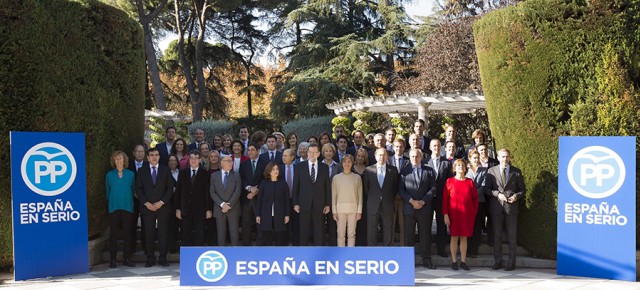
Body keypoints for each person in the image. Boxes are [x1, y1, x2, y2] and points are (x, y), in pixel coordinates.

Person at [485, 149, 526, 271]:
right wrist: (497, 194)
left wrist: (516, 196)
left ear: (510, 157)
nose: (505, 159)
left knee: (512, 236)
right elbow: (487, 189)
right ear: (498, 157)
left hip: (511, 208)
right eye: (502, 157)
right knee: (497, 236)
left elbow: (523, 190)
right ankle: (498, 262)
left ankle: (511, 263)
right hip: (497, 208)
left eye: (507, 156)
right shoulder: (491, 171)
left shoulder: (516, 172)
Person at [135, 148, 174, 267]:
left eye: (156, 155)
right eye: (151, 155)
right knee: (149, 234)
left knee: (163, 234)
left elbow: (170, 188)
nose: (154, 157)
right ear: (148, 157)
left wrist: (161, 202)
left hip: (163, 207)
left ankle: (163, 258)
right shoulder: (142, 171)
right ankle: (150, 258)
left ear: (159, 157)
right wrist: (146, 203)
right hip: (147, 208)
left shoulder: (165, 170)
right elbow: (138, 189)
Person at [399, 149, 436, 269]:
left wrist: (423, 201)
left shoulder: (429, 171)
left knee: (425, 234)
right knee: (408, 235)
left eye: (417, 156)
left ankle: (426, 259)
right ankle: (408, 260)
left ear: (421, 157)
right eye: (412, 156)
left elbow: (433, 188)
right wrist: (411, 201)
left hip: (424, 207)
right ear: (409, 158)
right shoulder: (404, 171)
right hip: (409, 207)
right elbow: (401, 190)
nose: (415, 158)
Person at [443, 159, 478, 271]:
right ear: (454, 168)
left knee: (464, 238)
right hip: (453, 214)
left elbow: (475, 199)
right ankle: (454, 261)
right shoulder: (449, 181)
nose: (460, 167)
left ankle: (463, 261)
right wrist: (445, 214)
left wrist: (473, 213)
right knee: (454, 237)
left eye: (462, 165)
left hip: (467, 215)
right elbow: (445, 200)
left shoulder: (470, 182)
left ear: (465, 168)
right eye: (458, 165)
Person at [293, 144, 331, 246]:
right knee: (303, 231)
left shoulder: (324, 167)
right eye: (310, 152)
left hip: (319, 204)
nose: (312, 154)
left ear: (318, 154)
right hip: (303, 204)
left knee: (319, 231)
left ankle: (319, 252)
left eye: (314, 152)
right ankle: (303, 253)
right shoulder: (299, 167)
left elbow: (327, 186)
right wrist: (295, 203)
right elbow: (295, 187)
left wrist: (327, 204)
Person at [174, 150, 213, 247]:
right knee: (186, 233)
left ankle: (197, 255)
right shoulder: (182, 173)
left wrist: (208, 209)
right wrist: (178, 209)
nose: (193, 160)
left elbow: (208, 193)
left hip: (200, 209)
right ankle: (188, 257)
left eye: (196, 158)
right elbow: (178, 192)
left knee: (200, 233)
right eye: (191, 158)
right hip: (185, 209)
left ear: (200, 160)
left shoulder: (205, 173)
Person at [362, 148, 399, 246]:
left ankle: (387, 252)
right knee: (371, 231)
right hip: (373, 204)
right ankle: (372, 252)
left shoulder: (393, 170)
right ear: (375, 156)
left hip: (388, 204)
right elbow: (366, 188)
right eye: (379, 155)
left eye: (384, 155)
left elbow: (395, 188)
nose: (381, 157)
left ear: (387, 157)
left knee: (388, 230)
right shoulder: (368, 170)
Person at [106, 151, 136, 268]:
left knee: (127, 234)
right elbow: (107, 192)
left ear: (125, 160)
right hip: (113, 207)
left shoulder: (131, 174)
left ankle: (127, 258)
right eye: (116, 159)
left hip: (127, 206)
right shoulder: (109, 175)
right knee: (113, 234)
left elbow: (133, 190)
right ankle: (112, 259)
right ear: (113, 161)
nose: (118, 161)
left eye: (120, 158)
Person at [427, 139, 453, 257]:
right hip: (427, 199)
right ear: (430, 147)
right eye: (434, 145)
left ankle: (441, 250)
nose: (436, 147)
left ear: (441, 147)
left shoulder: (447, 163)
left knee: (441, 224)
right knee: (426, 224)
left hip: (442, 199)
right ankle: (427, 250)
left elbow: (450, 182)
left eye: (438, 145)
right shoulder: (425, 162)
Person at [239, 143, 267, 246]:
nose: (250, 152)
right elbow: (241, 179)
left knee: (259, 222)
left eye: (252, 150)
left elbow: (266, 179)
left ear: (258, 151)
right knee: (246, 222)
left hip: (260, 198)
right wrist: (250, 189)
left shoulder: (265, 163)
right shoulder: (244, 164)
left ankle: (260, 244)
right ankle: (246, 244)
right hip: (247, 197)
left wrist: (256, 190)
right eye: (249, 150)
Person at [210, 155, 242, 246]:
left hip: (233, 209)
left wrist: (229, 205)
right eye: (229, 160)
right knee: (220, 235)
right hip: (219, 209)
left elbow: (237, 191)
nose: (231, 162)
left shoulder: (236, 175)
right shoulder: (214, 176)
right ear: (222, 163)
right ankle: (222, 255)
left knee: (234, 235)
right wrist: (222, 204)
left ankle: (235, 256)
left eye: (231, 161)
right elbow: (212, 192)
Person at [256, 163, 291, 246]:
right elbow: (259, 200)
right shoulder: (264, 183)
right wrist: (258, 214)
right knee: (267, 236)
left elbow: (287, 200)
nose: (276, 171)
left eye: (277, 169)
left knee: (280, 236)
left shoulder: (283, 183)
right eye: (273, 169)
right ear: (269, 171)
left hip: (280, 214)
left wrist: (287, 214)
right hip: (266, 214)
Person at [332, 155, 362, 247]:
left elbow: (360, 195)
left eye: (349, 161)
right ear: (342, 164)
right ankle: (341, 253)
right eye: (345, 162)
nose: (347, 164)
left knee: (352, 234)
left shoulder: (357, 177)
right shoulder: (336, 178)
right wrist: (334, 211)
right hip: (340, 209)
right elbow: (334, 195)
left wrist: (359, 211)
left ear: (352, 163)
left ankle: (350, 254)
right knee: (340, 234)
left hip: (353, 209)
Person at [466, 150, 488, 258]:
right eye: (474, 158)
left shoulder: (484, 171)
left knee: (477, 226)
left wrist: (472, 195)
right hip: (466, 203)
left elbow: (483, 186)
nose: (476, 160)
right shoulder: (465, 170)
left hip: (479, 202)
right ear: (469, 158)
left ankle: (474, 251)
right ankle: (466, 249)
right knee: (468, 225)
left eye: (477, 158)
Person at [388, 138, 409, 246]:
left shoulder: (408, 161)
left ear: (404, 148)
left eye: (400, 146)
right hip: (390, 197)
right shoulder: (388, 160)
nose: (398, 148)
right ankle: (390, 246)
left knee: (403, 224)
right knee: (390, 223)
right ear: (393, 147)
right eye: (396, 146)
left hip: (403, 198)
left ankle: (402, 247)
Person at [322, 143, 341, 246]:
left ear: (333, 152)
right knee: (320, 222)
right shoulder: (318, 165)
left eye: (330, 151)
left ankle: (333, 244)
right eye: (326, 151)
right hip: (321, 197)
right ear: (323, 153)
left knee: (333, 222)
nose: (328, 153)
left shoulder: (338, 166)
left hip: (335, 197)